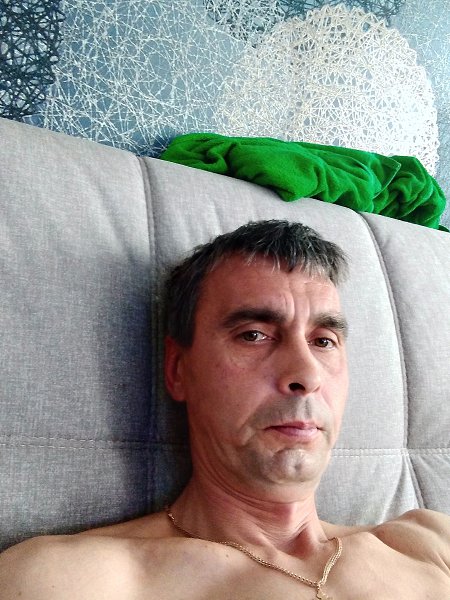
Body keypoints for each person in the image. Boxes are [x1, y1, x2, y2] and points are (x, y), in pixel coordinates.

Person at [0, 220, 449, 599]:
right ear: (178, 370)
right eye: (254, 335)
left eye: (323, 341)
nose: (306, 374)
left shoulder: (430, 545)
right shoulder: (72, 580)